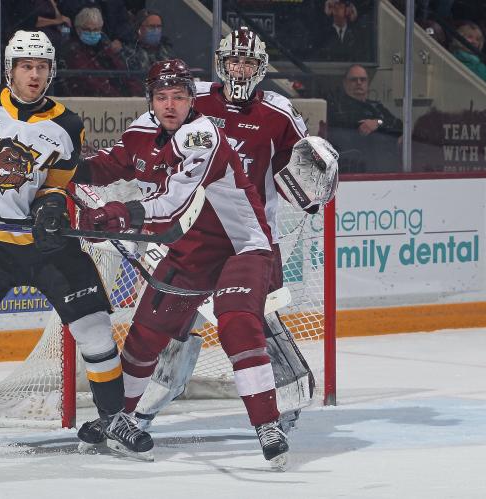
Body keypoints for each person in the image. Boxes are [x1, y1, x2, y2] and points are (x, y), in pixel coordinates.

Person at [0, 30, 152, 462]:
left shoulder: (67, 123)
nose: (34, 76)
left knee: (94, 329)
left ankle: (113, 419)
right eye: (26, 67)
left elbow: (59, 185)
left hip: (48, 247)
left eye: (41, 67)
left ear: (51, 71)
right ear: (10, 69)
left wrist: (51, 211)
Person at [72, 58, 297, 469]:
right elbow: (111, 163)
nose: (170, 104)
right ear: (150, 100)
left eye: (179, 96)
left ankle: (268, 424)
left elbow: (175, 205)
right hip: (189, 252)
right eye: (162, 97)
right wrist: (64, 169)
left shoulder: (202, 135)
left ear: (192, 100)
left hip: (242, 246)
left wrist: (118, 214)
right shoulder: (142, 130)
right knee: (143, 336)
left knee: (236, 322)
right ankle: (117, 417)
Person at [131, 27, 334, 433]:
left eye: (248, 63)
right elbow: (148, 145)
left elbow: (298, 178)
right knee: (174, 326)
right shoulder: (195, 97)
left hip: (249, 241)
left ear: (260, 68)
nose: (240, 70)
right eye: (234, 62)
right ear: (221, 64)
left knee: (256, 325)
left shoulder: (278, 113)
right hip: (190, 237)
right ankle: (140, 413)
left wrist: (316, 185)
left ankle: (282, 411)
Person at [328, 64, 403, 173]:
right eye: (354, 80)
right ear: (345, 83)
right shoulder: (337, 108)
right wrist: (380, 124)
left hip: (385, 170)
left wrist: (378, 122)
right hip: (356, 171)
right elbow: (355, 126)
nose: (359, 83)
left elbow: (399, 125)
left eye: (363, 80)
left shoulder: (376, 106)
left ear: (368, 83)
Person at [58, 6, 140, 97]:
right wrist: (119, 98)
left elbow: (124, 72)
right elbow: (92, 82)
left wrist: (136, 94)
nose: (92, 33)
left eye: (96, 29)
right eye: (87, 29)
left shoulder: (105, 47)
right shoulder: (71, 51)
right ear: (78, 29)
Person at [121, 8, 176, 94]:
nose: (156, 30)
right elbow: (134, 82)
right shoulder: (129, 52)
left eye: (158, 27)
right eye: (151, 27)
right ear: (139, 29)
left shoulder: (167, 51)